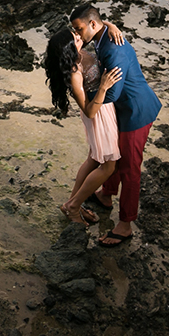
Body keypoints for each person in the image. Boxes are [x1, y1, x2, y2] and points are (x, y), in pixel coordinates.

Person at [70, 3, 162, 247]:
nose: (77, 35)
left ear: (91, 24)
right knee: (114, 155)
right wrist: (109, 23)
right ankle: (107, 195)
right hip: (122, 111)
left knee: (130, 168)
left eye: (79, 30)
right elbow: (95, 25)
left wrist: (87, 102)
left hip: (135, 111)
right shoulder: (102, 35)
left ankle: (125, 224)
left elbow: (112, 93)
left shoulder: (113, 50)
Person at [43, 26, 123, 228]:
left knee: (93, 159)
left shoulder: (81, 51)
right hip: (98, 114)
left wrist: (110, 26)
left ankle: (71, 205)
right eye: (75, 37)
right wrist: (104, 87)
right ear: (69, 48)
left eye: (76, 33)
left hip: (105, 109)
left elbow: (94, 25)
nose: (79, 36)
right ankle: (73, 206)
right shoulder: (74, 73)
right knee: (108, 166)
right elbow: (88, 110)